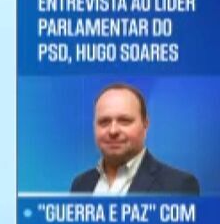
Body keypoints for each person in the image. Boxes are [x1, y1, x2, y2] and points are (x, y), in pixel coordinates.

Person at [70, 83, 199, 195]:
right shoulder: (80, 184)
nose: (113, 131)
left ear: (145, 124)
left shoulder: (178, 186)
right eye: (104, 122)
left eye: (124, 121)